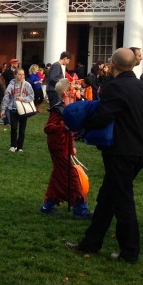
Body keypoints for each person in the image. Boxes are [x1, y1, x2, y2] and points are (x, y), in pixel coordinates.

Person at [66, 48, 143, 264]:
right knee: (107, 198)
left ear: (112, 64)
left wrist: (82, 124)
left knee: (123, 201)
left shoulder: (114, 87)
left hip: (120, 152)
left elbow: (102, 116)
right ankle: (91, 242)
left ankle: (129, 252)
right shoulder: (142, 87)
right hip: (137, 150)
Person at [40, 79, 92, 219]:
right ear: (66, 91)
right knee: (71, 176)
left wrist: (72, 145)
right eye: (72, 87)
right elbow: (48, 128)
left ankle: (48, 204)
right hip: (58, 146)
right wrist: (63, 127)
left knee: (59, 175)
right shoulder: (58, 109)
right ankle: (80, 207)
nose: (75, 89)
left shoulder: (68, 106)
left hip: (64, 145)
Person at [2, 68, 36, 153]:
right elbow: (6, 98)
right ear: (15, 75)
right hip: (13, 109)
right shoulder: (11, 85)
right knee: (13, 128)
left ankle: (20, 146)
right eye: (19, 74)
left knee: (22, 129)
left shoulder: (27, 85)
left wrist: (23, 99)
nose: (21, 76)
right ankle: (13, 145)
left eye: (23, 74)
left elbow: (31, 96)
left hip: (23, 109)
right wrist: (3, 109)